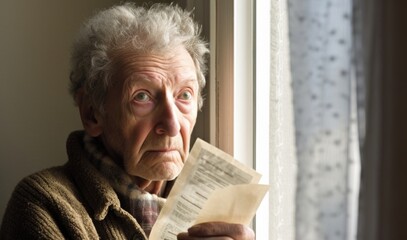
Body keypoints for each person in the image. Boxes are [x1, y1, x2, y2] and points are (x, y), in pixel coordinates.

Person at [0, 3, 254, 240]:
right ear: (92, 113)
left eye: (184, 95)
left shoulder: (220, 202)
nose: (173, 125)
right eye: (142, 97)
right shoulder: (43, 203)